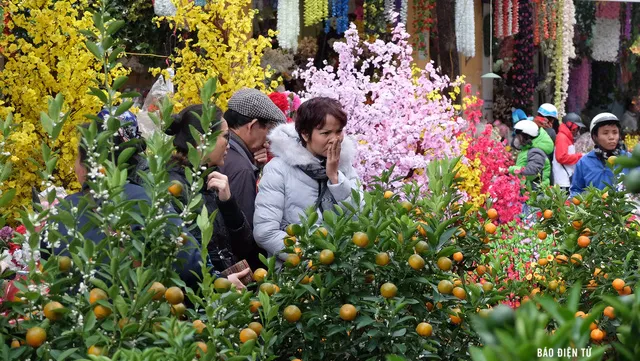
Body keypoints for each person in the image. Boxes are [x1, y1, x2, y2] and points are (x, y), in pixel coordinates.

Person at [48, 119, 249, 290]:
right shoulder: (147, 201)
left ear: (87, 163)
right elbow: (188, 261)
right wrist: (217, 281)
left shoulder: (63, 211)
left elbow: (47, 265)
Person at [253, 97, 360, 262]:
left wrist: (335, 177)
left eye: (339, 131)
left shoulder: (343, 166)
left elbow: (360, 218)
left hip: (343, 271)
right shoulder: (278, 170)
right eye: (325, 133)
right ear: (305, 134)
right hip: (299, 277)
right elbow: (265, 232)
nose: (335, 139)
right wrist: (312, 256)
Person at [166, 104, 256, 278]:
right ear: (202, 139)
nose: (229, 145)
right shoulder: (175, 188)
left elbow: (245, 246)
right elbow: (184, 259)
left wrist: (228, 204)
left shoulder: (212, 178)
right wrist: (220, 281)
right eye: (225, 137)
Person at [218, 89, 287, 270]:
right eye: (268, 130)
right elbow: (246, 233)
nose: (267, 141)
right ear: (253, 125)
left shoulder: (224, 156)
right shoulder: (241, 168)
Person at [570, 113, 631, 197]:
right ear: (595, 137)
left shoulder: (629, 160)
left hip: (622, 209)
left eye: (615, 132)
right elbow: (576, 190)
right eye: (605, 133)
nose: (611, 137)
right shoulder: (584, 163)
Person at [508, 120, 553, 190]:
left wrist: (511, 170)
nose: (516, 138)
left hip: (536, 194)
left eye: (518, 136)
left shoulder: (536, 152)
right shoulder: (527, 150)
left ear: (526, 136)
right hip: (528, 192)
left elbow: (531, 173)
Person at [552, 113, 585, 192]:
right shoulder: (562, 137)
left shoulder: (566, 137)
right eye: (577, 127)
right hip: (562, 181)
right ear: (570, 125)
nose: (577, 130)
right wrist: (580, 156)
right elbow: (561, 157)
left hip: (565, 179)